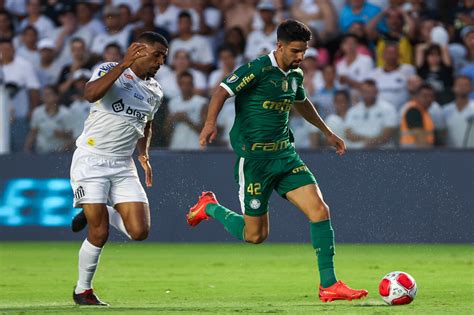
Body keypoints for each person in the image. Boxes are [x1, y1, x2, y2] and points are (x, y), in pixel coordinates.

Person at [187, 19, 368, 302]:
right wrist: (210, 123)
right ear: (279, 46)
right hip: (255, 161)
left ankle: (329, 285)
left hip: (285, 155)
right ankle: (210, 207)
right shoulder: (258, 69)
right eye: (295, 50)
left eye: (304, 51)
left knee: (320, 210)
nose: (300, 57)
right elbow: (222, 91)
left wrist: (328, 132)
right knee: (255, 236)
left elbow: (302, 102)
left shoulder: (295, 75)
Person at [69, 32, 168, 306]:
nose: (161, 61)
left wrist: (144, 154)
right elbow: (90, 94)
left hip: (124, 164)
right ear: (138, 51)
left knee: (139, 232)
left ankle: (96, 211)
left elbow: (146, 124)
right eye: (157, 55)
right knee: (99, 233)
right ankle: (82, 290)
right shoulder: (108, 69)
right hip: (92, 159)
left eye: (164, 57)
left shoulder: (156, 91)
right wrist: (123, 66)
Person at [344, 79, 398, 149]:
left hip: (382, 150)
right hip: (357, 151)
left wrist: (371, 143)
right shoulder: (353, 110)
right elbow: (348, 134)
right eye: (365, 92)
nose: (368, 95)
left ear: (376, 92)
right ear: (361, 92)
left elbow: (387, 135)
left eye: (371, 92)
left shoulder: (388, 108)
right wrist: (366, 140)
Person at [166, 71, 207, 150]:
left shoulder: (202, 103)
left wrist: (186, 120)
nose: (186, 87)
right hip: (176, 147)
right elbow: (166, 131)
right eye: (183, 84)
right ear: (179, 85)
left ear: (193, 85)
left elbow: (205, 131)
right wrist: (173, 119)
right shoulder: (172, 103)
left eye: (189, 84)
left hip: (196, 147)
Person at [24, 85, 71, 154]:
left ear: (57, 96)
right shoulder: (37, 112)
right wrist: (26, 150)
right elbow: (33, 132)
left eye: (49, 94)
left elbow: (73, 136)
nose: (46, 96)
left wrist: (63, 135)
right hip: (41, 153)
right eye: (44, 94)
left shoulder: (66, 113)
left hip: (61, 154)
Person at [399, 83, 436, 148]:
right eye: (425, 96)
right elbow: (420, 139)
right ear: (416, 96)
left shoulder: (424, 112)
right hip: (413, 153)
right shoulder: (413, 111)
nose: (428, 99)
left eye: (431, 96)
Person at [442, 75, 474, 148]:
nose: (462, 87)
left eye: (466, 85)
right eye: (459, 84)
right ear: (453, 87)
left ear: (471, 88)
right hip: (451, 154)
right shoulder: (445, 110)